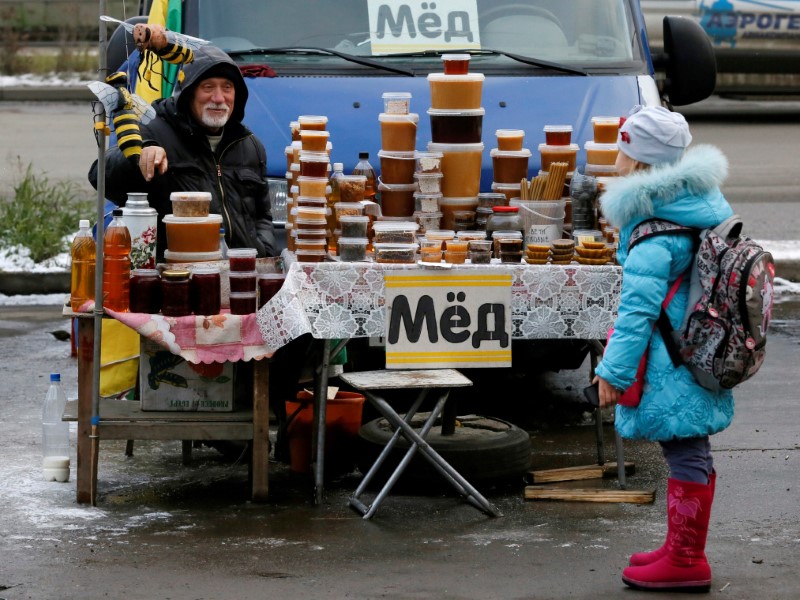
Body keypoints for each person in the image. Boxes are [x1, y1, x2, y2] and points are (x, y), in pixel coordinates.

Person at [593, 106, 735, 592]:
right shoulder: (697, 203)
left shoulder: (655, 231)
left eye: (621, 149)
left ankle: (687, 560)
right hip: (698, 350)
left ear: (639, 162)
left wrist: (612, 372)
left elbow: (636, 312)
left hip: (671, 361)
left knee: (685, 448)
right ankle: (682, 548)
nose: (615, 159)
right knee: (691, 448)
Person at [89, 44, 277, 260]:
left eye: (227, 88)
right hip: (176, 278)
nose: (219, 98)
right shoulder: (153, 131)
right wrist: (138, 156)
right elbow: (100, 175)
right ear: (188, 93)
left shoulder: (250, 146)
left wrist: (265, 250)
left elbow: (263, 215)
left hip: (239, 278)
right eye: (208, 87)